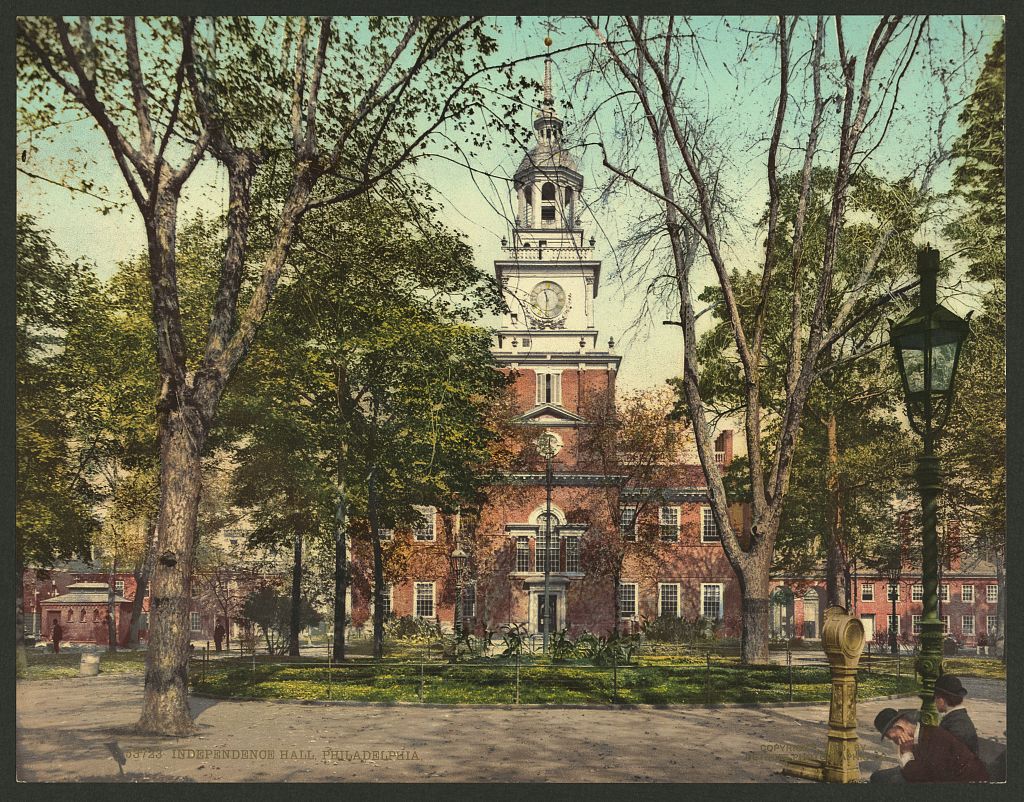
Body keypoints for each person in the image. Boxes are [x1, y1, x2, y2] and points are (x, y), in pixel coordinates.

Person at [870, 707, 988, 783]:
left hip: (965, 783)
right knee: (878, 777)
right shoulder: (919, 735)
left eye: (893, 738)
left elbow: (920, 777)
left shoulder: (933, 737)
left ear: (900, 728)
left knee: (891, 780)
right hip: (943, 778)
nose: (894, 741)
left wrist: (906, 753)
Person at [934, 674, 979, 756]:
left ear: (941, 700)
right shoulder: (958, 717)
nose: (935, 702)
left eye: (935, 697)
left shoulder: (956, 725)